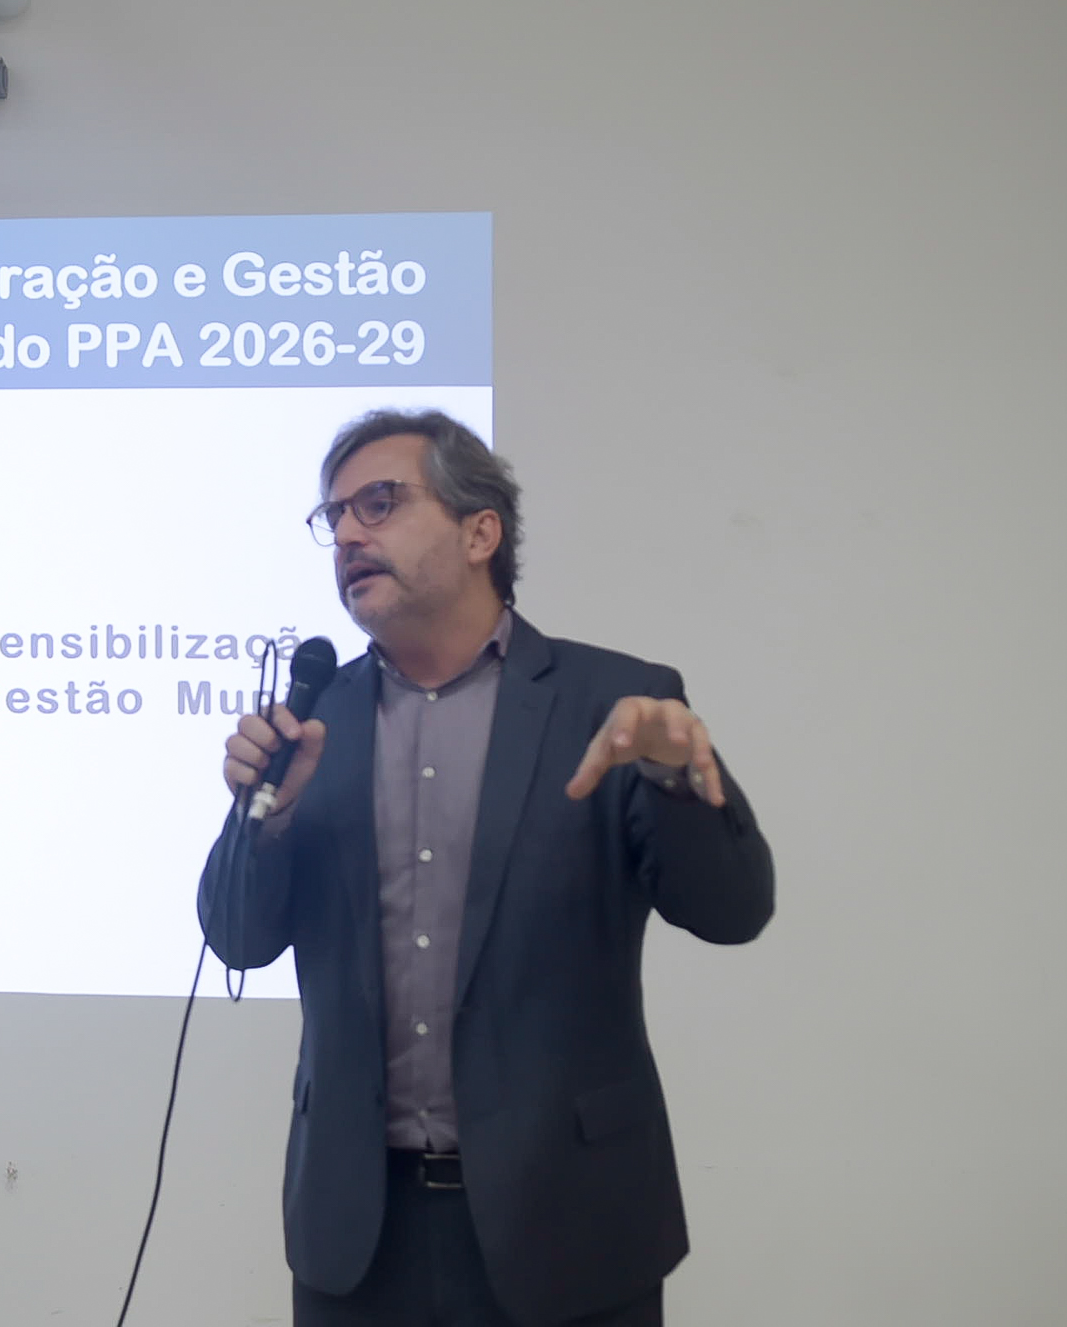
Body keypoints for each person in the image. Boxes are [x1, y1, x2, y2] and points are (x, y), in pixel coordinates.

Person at [198, 409, 774, 1327]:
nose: (347, 535)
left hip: (571, 1221)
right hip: (358, 1232)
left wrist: (676, 780)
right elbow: (236, 938)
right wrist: (268, 817)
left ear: (480, 532)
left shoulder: (614, 703)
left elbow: (733, 911)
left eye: (378, 503)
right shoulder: (315, 722)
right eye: (334, 516)